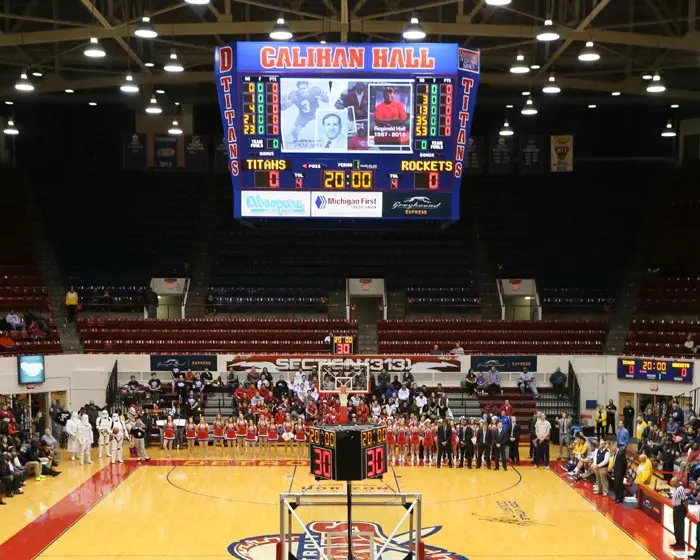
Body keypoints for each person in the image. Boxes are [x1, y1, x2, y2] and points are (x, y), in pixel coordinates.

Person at [669, 477, 688, 550]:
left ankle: (681, 544)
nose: (671, 483)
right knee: (676, 526)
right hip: (676, 508)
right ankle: (678, 542)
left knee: (680, 527)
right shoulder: (676, 489)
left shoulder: (681, 489)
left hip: (680, 508)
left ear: (677, 482)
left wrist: (686, 509)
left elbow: (685, 500)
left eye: (672, 482)